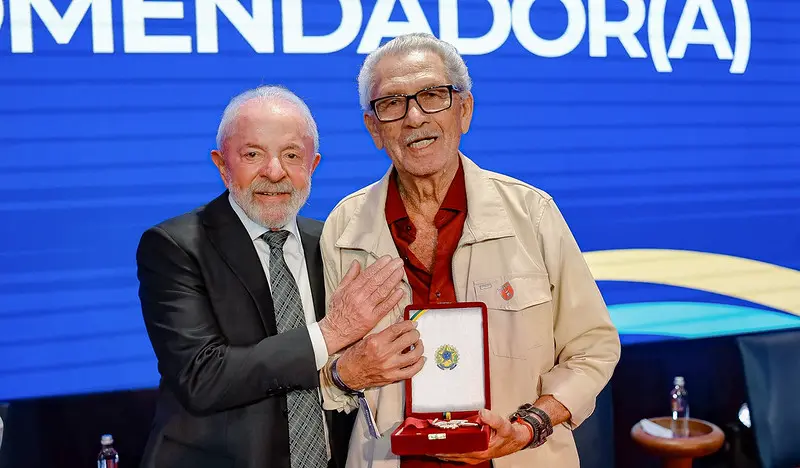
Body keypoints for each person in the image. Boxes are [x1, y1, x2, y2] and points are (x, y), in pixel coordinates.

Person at [318, 33, 622, 468]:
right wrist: (348, 371)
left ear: (464, 110)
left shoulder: (532, 214)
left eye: (432, 96)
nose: (414, 117)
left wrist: (527, 426)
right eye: (392, 104)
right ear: (374, 129)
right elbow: (328, 376)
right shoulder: (344, 229)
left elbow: (593, 348)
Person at [136, 85, 418, 468]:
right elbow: (202, 378)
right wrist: (332, 331)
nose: (275, 172)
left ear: (313, 165)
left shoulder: (333, 242)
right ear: (222, 164)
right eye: (253, 154)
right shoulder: (174, 246)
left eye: (291, 155)